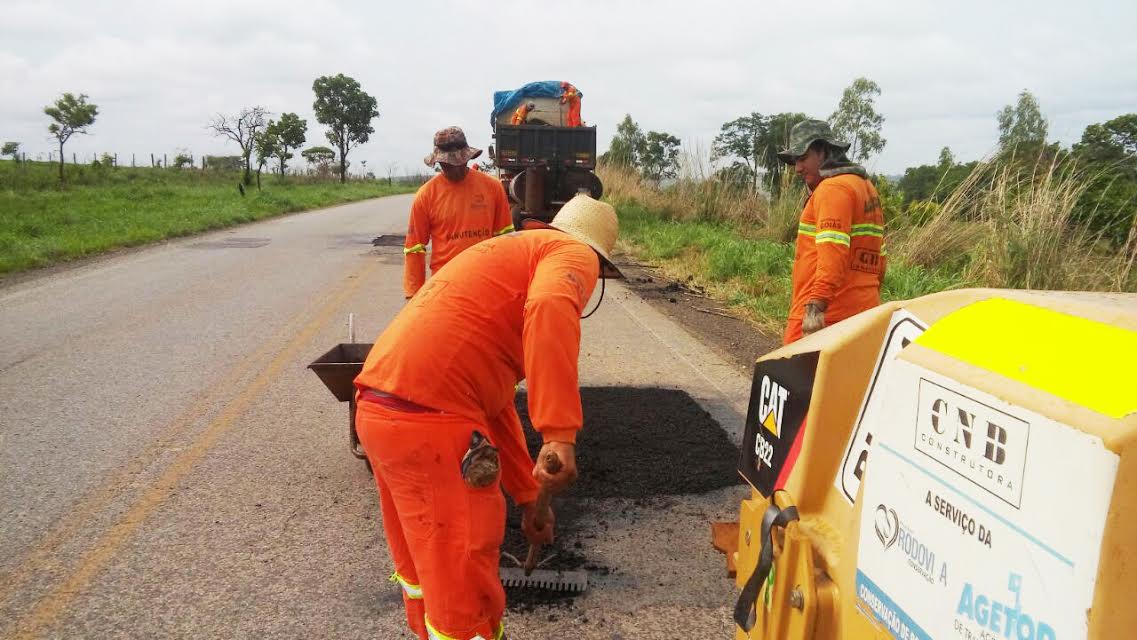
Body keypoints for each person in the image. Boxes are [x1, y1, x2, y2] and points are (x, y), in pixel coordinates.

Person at [354, 194, 622, 640]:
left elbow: (494, 410)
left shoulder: (512, 255)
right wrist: (559, 433)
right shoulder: (572, 253)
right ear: (598, 259)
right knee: (463, 581)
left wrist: (525, 494)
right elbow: (552, 306)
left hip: (382, 412)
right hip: (433, 422)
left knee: (426, 569)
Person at [777, 119, 886, 344]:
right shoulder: (865, 187)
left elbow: (833, 252)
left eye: (803, 158)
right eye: (795, 161)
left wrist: (815, 307)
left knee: (794, 376)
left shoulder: (833, 189)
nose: (797, 168)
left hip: (827, 318)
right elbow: (880, 259)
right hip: (862, 315)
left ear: (824, 151)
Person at [404, 127, 515, 299]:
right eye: (448, 164)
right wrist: (414, 295)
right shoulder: (426, 195)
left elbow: (506, 238)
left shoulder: (492, 188)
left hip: (485, 282)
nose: (455, 169)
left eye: (459, 163)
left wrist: (509, 284)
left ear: (467, 158)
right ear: (439, 162)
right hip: (445, 285)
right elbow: (415, 247)